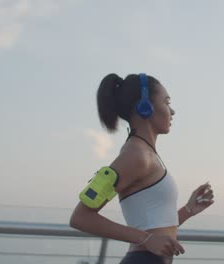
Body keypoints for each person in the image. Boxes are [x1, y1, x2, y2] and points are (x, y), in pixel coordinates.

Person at [69, 73, 214, 264]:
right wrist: (145, 239)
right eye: (166, 102)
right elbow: (80, 217)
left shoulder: (146, 154)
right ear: (145, 107)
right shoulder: (136, 155)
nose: (173, 111)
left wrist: (188, 210)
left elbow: (155, 226)